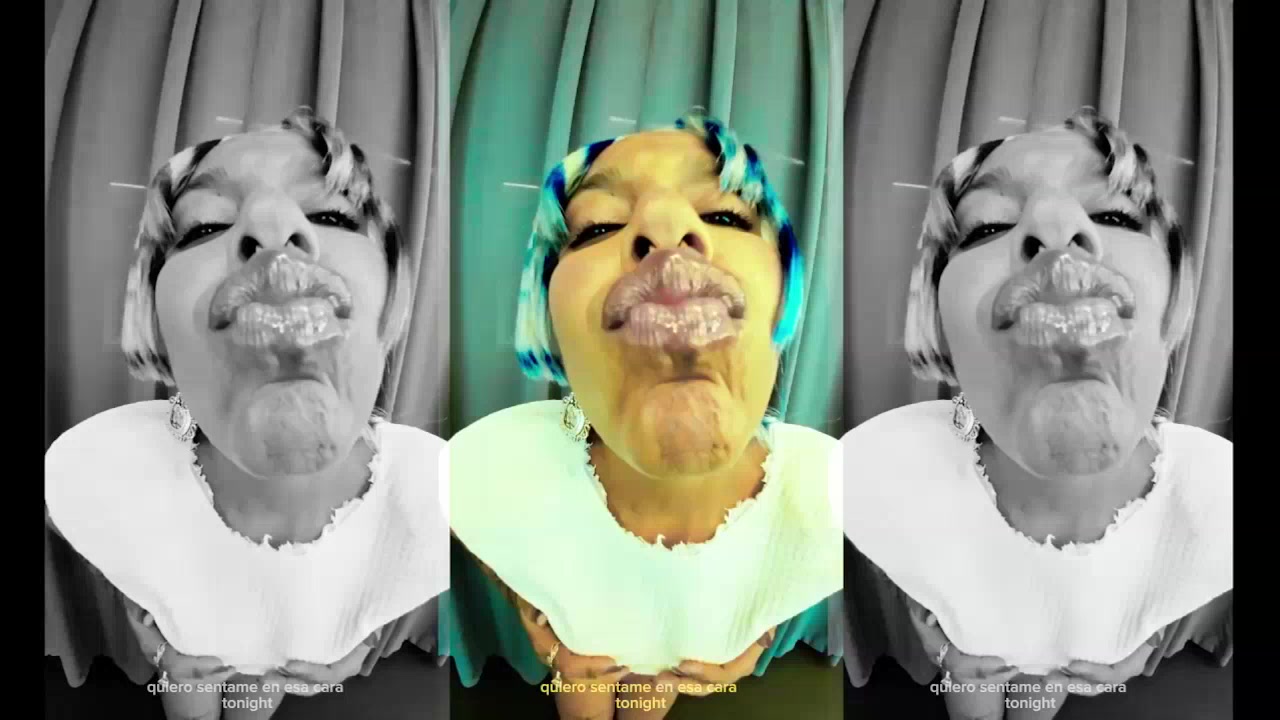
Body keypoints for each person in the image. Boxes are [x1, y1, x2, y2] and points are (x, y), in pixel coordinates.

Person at [44, 109, 449, 720]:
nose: (273, 227)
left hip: (276, 658)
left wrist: (357, 644)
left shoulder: (426, 490)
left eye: (331, 215)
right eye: (205, 226)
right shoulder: (123, 464)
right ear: (154, 321)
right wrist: (148, 622)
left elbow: (390, 568)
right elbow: (116, 542)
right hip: (190, 656)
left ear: (392, 298)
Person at [840, 108, 1232, 719]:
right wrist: (941, 648)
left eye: (1113, 215)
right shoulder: (906, 465)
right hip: (974, 659)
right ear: (937, 323)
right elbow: (923, 576)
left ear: (1174, 299)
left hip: (1059, 663)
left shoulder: (1208, 494)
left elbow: (1164, 575)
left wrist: (1138, 648)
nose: (1055, 227)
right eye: (988, 226)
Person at [447, 114, 842, 719]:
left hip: (670, 657)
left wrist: (755, 639)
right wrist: (529, 610)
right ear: (546, 317)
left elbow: (782, 568)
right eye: (599, 225)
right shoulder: (513, 458)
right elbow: (480, 518)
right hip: (584, 653)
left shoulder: (823, 493)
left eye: (725, 215)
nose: (665, 229)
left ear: (784, 295)